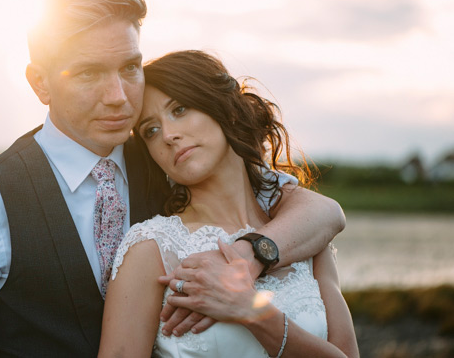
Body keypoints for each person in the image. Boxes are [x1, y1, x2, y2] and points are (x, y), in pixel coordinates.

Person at [0, 0, 345, 357]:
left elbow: (321, 212)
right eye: (89, 73)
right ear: (40, 82)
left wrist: (250, 257)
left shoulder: (176, 161)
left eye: (130, 67)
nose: (119, 96)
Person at [98, 50, 359, 357]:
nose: (168, 135)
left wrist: (252, 312)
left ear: (227, 109)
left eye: (179, 109)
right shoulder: (150, 249)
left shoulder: (303, 237)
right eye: (151, 130)